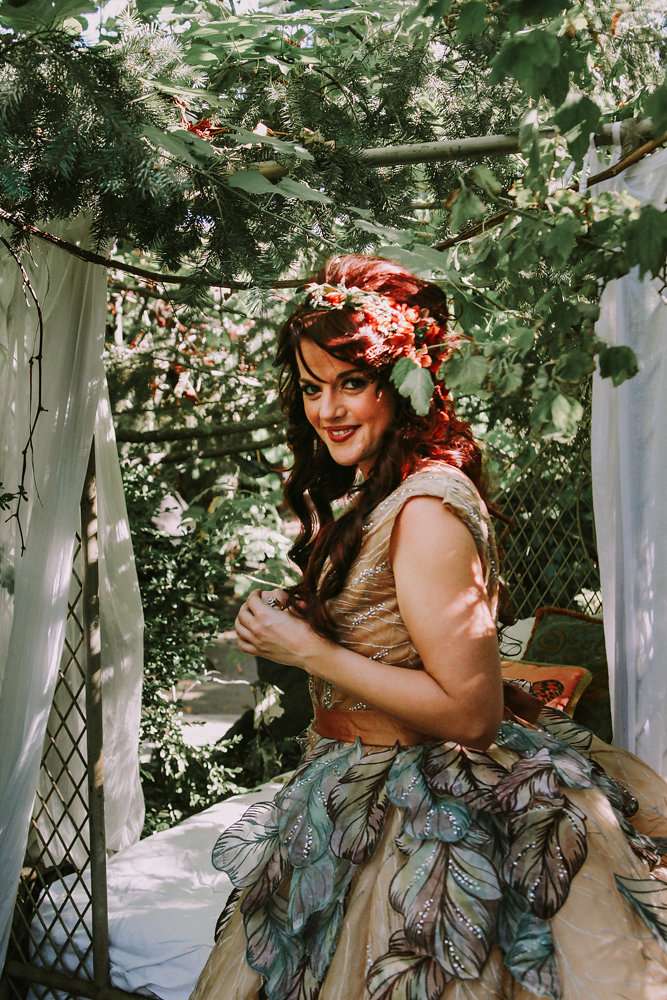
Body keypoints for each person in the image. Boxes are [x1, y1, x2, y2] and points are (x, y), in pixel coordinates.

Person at [191, 255, 667, 1000]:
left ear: (404, 382)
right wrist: (314, 615)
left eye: (352, 382)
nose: (327, 410)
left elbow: (471, 714)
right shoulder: (389, 493)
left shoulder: (425, 509)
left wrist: (309, 651)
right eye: (312, 388)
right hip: (361, 781)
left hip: (423, 804)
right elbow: (395, 627)